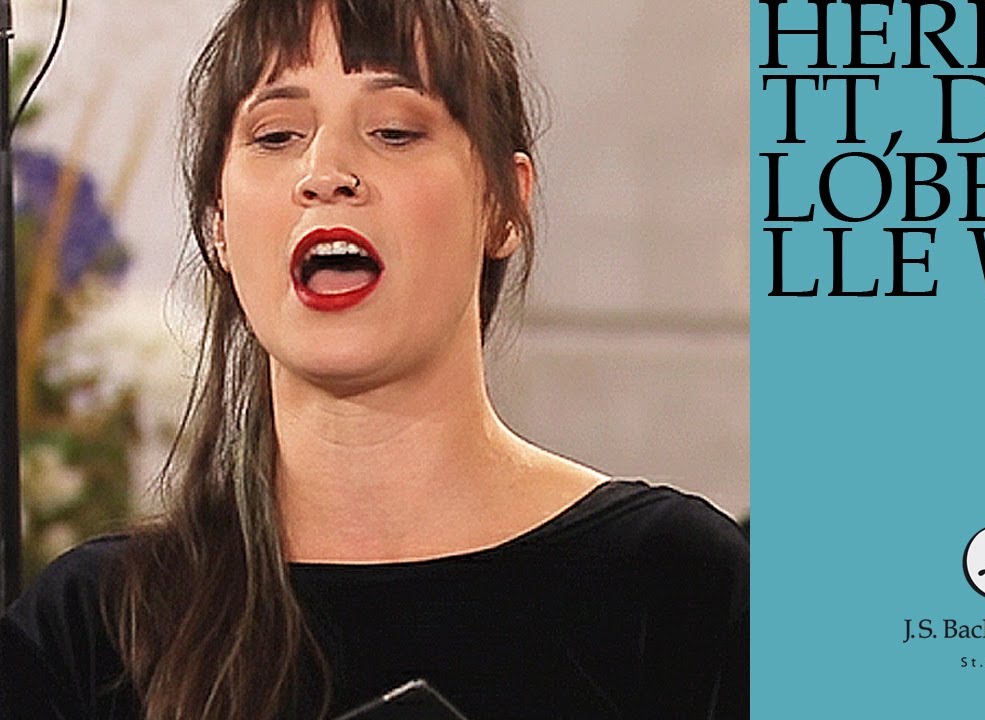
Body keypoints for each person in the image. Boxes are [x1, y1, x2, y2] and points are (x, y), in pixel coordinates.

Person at [0, 1, 748, 718]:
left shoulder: (678, 588)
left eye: (394, 131)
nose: (325, 171)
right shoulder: (94, 631)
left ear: (503, 203)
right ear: (217, 223)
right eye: (276, 135)